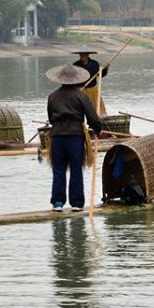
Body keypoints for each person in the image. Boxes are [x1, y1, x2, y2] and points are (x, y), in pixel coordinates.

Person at [45, 63, 102, 212]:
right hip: (75, 137)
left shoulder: (52, 97)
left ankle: (58, 203)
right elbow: (92, 118)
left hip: (57, 137)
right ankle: (76, 203)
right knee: (76, 169)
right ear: (76, 79)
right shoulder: (80, 96)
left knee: (58, 170)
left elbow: (51, 118)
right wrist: (97, 129)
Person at [72, 50, 109, 115]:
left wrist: (105, 69)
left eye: (84, 54)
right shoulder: (75, 65)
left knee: (98, 110)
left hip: (92, 90)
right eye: (81, 54)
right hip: (80, 90)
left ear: (87, 55)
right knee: (79, 111)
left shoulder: (94, 63)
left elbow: (100, 75)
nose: (82, 56)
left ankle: (98, 122)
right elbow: (72, 79)